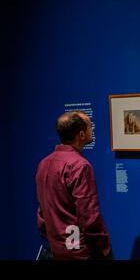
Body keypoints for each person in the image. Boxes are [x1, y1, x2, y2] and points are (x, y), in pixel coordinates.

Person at [36, 111, 112, 260]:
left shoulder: (44, 163)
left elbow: (42, 209)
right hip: (80, 251)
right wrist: (103, 246)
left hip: (57, 247)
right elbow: (89, 216)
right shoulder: (80, 166)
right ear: (81, 135)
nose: (93, 129)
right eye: (90, 126)